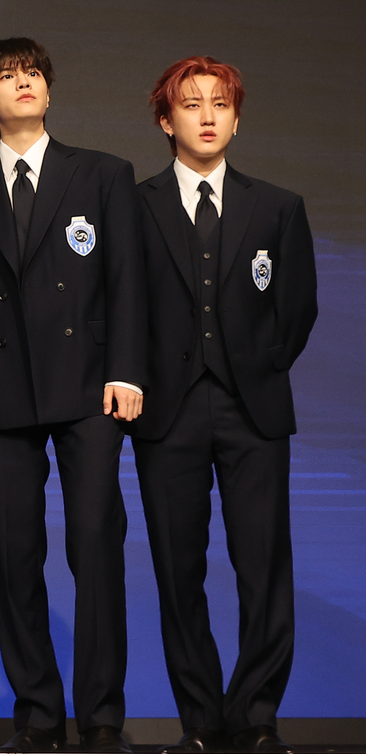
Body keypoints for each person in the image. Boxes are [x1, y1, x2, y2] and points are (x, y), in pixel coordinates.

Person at [0, 38, 146, 754]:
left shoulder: (102, 174)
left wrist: (126, 371)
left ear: (48, 93)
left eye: (32, 74)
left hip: (90, 390)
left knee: (96, 546)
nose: (23, 83)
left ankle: (101, 717)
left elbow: (127, 283)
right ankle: (36, 714)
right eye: (6, 76)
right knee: (13, 553)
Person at [132, 58, 317, 754]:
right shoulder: (137, 203)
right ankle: (201, 721)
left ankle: (257, 715)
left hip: (254, 411)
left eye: (220, 104)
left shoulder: (278, 206)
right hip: (167, 413)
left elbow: (296, 309)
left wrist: (261, 369)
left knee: (263, 568)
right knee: (178, 572)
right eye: (190, 103)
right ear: (165, 118)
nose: (207, 115)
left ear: (237, 118)